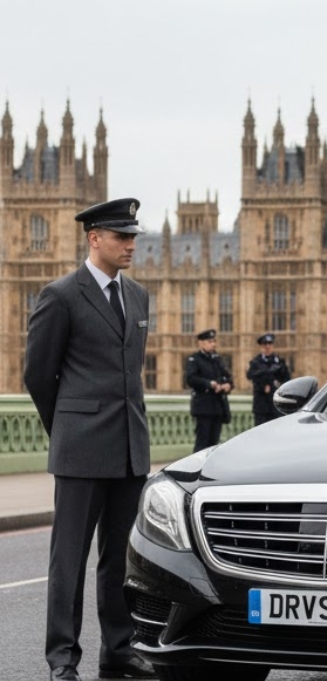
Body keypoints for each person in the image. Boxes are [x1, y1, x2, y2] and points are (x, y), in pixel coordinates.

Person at [23, 198, 157, 681]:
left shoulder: (138, 296)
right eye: (121, 236)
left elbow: (129, 374)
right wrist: (66, 428)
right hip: (81, 448)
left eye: (133, 237)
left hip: (129, 448)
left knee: (119, 562)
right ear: (93, 238)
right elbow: (37, 375)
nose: (130, 245)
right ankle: (62, 658)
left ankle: (118, 650)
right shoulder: (60, 295)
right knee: (68, 563)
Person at [186, 329, 232, 451]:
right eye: (210, 341)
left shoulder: (217, 359)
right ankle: (197, 469)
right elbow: (191, 379)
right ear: (201, 343)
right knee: (202, 443)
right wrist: (209, 384)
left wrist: (227, 385)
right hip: (203, 407)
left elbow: (227, 376)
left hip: (218, 407)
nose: (213, 344)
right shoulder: (194, 360)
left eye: (214, 341)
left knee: (214, 444)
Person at [246, 333, 292, 426]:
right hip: (261, 406)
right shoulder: (256, 362)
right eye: (265, 345)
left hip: (276, 405)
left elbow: (287, 379)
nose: (267, 347)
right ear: (261, 347)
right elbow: (250, 376)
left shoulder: (279, 361)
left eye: (269, 344)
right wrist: (266, 374)